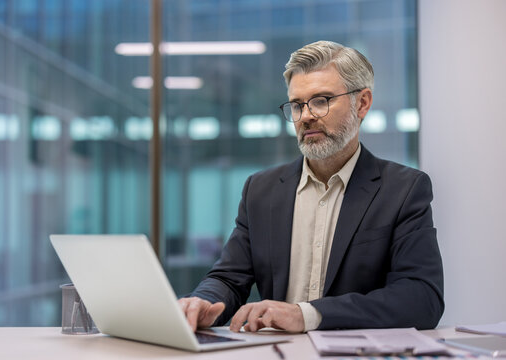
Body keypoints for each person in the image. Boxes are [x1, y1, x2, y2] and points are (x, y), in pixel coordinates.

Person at [178, 40, 444, 333]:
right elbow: (229, 277)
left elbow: (422, 299)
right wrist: (203, 301)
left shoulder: (404, 189)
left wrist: (308, 315)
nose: (305, 116)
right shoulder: (261, 190)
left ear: (362, 103)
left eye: (321, 100)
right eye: (296, 105)